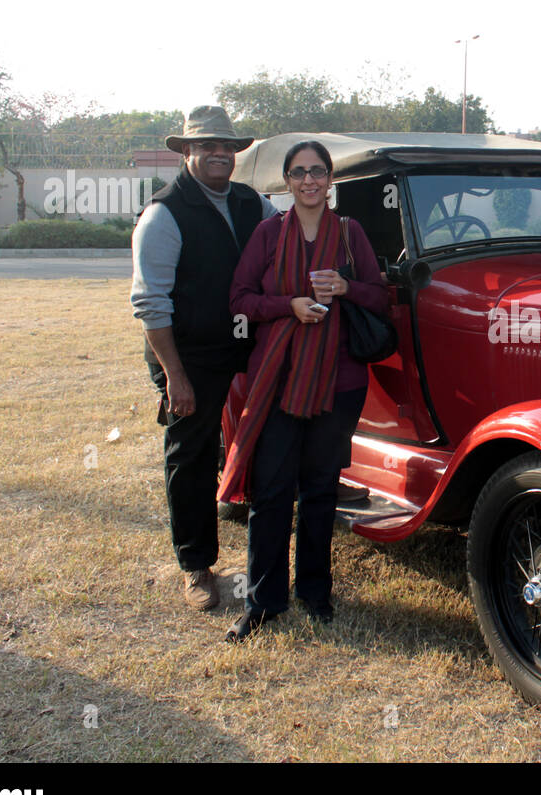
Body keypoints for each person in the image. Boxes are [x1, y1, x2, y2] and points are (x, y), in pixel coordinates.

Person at [220, 140, 388, 641]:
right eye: (299, 172)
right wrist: (289, 305)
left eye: (318, 171)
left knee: (319, 493)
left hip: (340, 385)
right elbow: (240, 299)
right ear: (287, 181)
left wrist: (347, 288)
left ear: (330, 179)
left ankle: (315, 594)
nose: (309, 180)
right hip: (279, 381)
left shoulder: (350, 233)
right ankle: (264, 602)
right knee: (271, 493)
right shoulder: (268, 233)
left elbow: (380, 297)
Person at [130, 106, 281, 612]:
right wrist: (175, 376)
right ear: (187, 151)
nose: (219, 153)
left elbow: (291, 241)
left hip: (245, 342)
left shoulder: (252, 203)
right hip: (188, 354)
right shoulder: (164, 214)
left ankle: (264, 545)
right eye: (207, 146)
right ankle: (196, 565)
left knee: (271, 440)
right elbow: (151, 303)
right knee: (190, 456)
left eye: (226, 146)